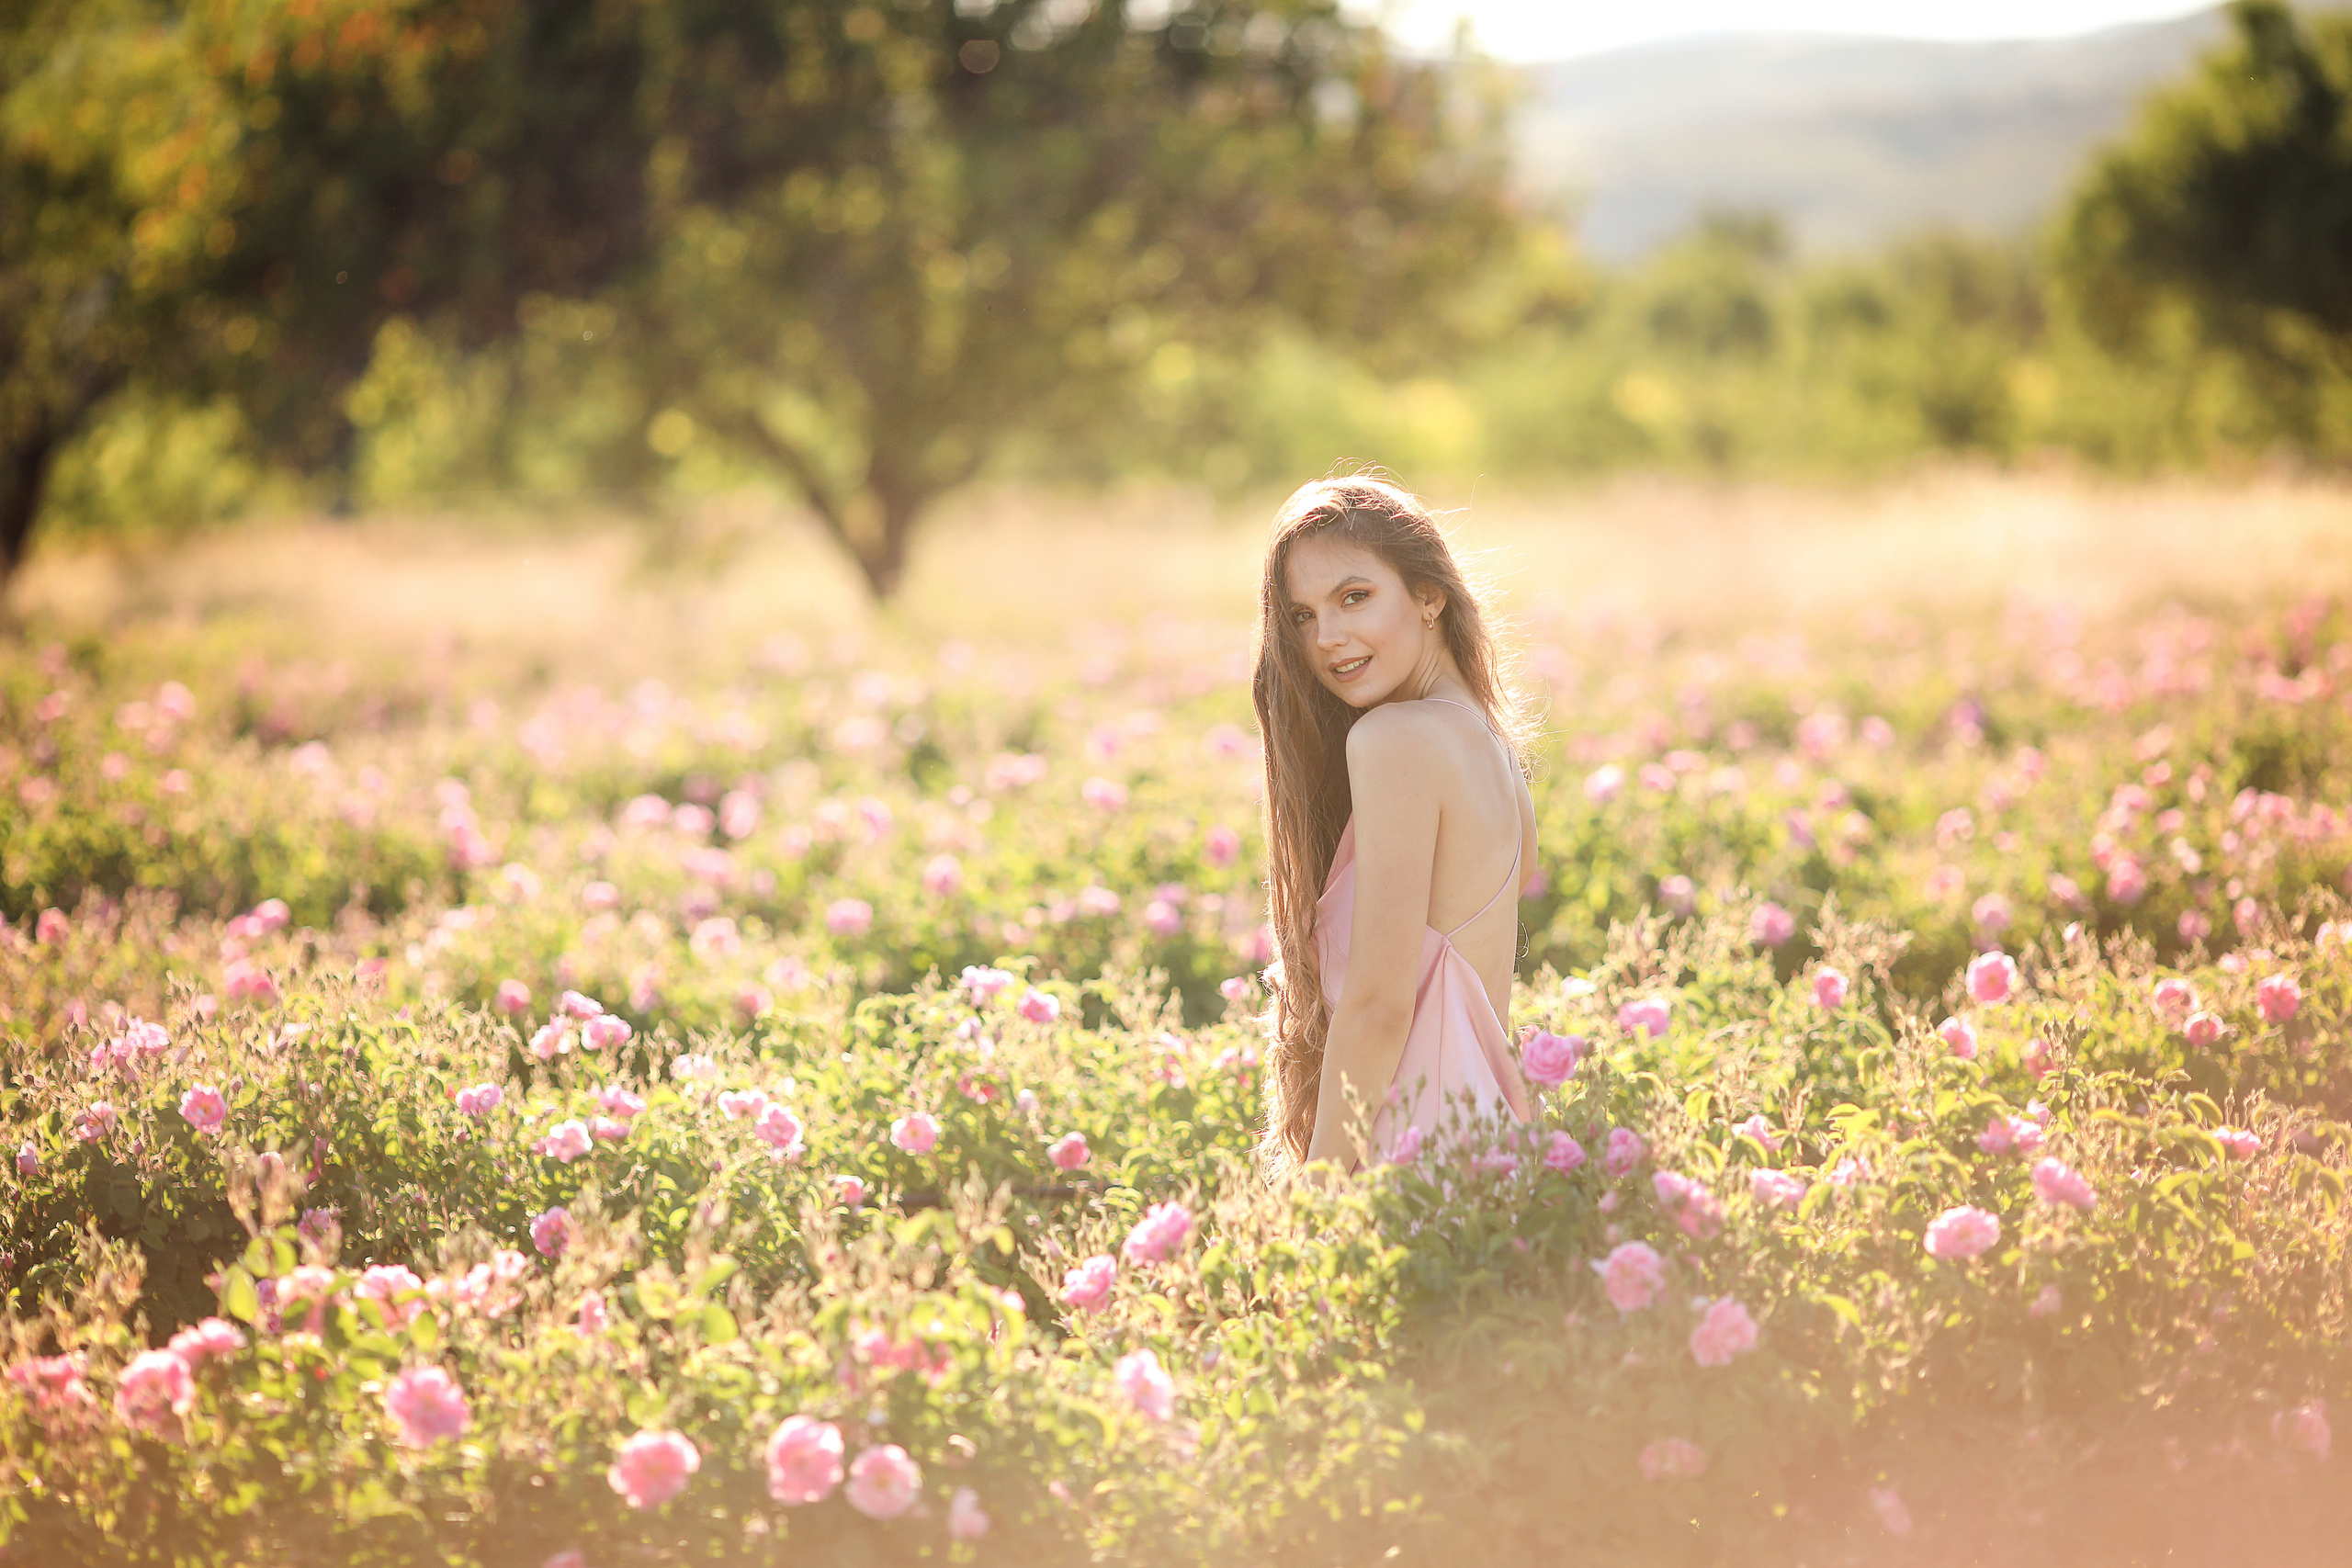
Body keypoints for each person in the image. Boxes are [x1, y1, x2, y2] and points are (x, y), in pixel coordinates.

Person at [1251, 474, 1536, 1177]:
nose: (1328, 638)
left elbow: (1379, 1006)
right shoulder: (1491, 746)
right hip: (1488, 1144)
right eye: (1302, 616)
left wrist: (1315, 1202)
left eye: (1354, 597)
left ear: (1429, 594)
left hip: (1410, 1158)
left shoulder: (1396, 740)